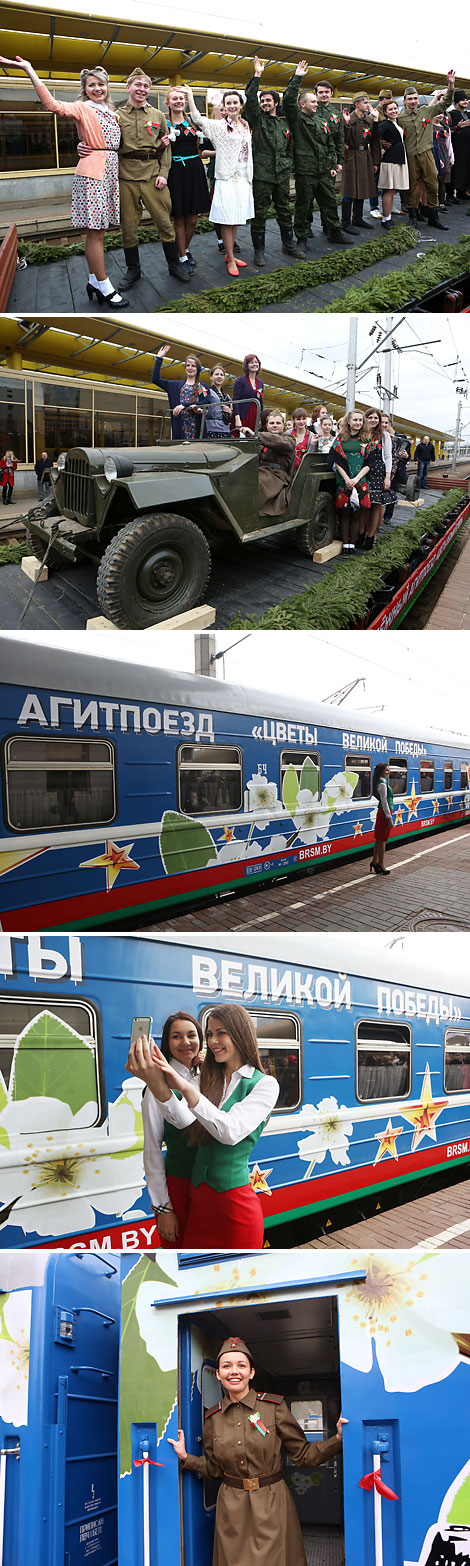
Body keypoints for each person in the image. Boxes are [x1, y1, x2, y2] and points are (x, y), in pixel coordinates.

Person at [168, 1333, 346, 1566]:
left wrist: (338, 1440)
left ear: (251, 1372)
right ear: (218, 1374)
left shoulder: (274, 1407)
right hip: (231, 1509)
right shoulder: (213, 1417)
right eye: (227, 1366)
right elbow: (214, 1469)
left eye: (241, 1365)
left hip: (272, 1503)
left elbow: (304, 1456)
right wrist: (185, 1457)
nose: (234, 1371)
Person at [128, 1003, 279, 1247]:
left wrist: (185, 1086)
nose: (213, 1040)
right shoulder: (207, 1078)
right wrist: (156, 1084)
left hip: (233, 1207)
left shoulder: (265, 1084)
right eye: (210, 1034)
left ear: (240, 1034)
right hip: (199, 1203)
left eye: (221, 1033)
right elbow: (182, 1119)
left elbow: (229, 1132)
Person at [0, 56, 129, 308]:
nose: (97, 88)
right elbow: (52, 105)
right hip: (93, 174)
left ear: (107, 87)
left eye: (101, 84)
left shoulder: (112, 114)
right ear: (85, 89)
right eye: (91, 85)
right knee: (96, 234)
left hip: (108, 172)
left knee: (99, 232)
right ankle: (104, 284)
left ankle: (93, 280)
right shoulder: (83, 108)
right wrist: (29, 70)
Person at [114, 71, 191, 288]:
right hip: (126, 177)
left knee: (165, 224)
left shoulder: (158, 116)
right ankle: (133, 270)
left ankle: (174, 265)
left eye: (146, 86)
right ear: (128, 87)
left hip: (152, 176)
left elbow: (166, 148)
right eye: (137, 84)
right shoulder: (116, 115)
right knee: (128, 227)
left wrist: (163, 175)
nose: (141, 89)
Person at [137, 1010, 203, 1248]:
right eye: (176, 1037)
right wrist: (163, 1208)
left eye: (191, 1035)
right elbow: (152, 1149)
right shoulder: (156, 1086)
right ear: (167, 1043)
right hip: (179, 1186)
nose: (186, 1043)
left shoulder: (210, 1076)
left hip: (210, 1187)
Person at [183, 83, 253, 276]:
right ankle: (230, 257)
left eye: (234, 103)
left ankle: (230, 254)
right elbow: (197, 118)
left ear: (240, 105)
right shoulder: (219, 127)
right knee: (227, 220)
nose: (231, 106)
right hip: (226, 178)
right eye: (228, 103)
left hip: (242, 178)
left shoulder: (245, 125)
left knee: (236, 219)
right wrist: (190, 95)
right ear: (224, 106)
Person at [283, 62, 351, 253]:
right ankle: (302, 238)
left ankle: (334, 232)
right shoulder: (297, 118)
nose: (317, 103)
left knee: (329, 202)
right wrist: (297, 77)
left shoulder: (322, 121)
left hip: (323, 171)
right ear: (303, 104)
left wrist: (333, 164)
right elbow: (288, 100)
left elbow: (330, 144)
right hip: (306, 171)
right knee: (303, 206)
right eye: (313, 101)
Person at [244, 57, 297, 266]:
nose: (264, 103)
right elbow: (249, 98)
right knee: (260, 212)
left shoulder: (283, 125)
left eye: (268, 100)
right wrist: (257, 75)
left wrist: (288, 164)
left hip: (281, 175)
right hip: (262, 175)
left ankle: (288, 243)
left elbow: (289, 148)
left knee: (284, 208)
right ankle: (259, 250)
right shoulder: (257, 120)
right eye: (262, 100)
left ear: (276, 103)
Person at [164, 83, 212, 275]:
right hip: (176, 172)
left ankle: (184, 248)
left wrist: (190, 95)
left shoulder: (192, 122)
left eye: (180, 98)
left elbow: (203, 145)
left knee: (192, 218)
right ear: (168, 102)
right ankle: (182, 256)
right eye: (174, 98)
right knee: (180, 217)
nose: (178, 101)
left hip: (194, 170)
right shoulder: (164, 123)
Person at [398, 72, 454, 227]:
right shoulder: (400, 118)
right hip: (410, 156)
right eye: (410, 99)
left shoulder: (426, 111)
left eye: (415, 98)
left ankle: (433, 217)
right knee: (411, 187)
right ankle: (412, 217)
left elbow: (446, 102)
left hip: (427, 153)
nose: (413, 101)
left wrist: (450, 85)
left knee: (432, 184)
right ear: (405, 101)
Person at [328, 411, 371, 552]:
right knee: (345, 513)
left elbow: (370, 462)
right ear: (348, 421)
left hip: (360, 480)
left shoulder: (367, 439)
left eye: (360, 420)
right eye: (355, 420)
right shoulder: (340, 438)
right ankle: (345, 543)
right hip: (343, 479)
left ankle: (353, 543)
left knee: (356, 513)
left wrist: (356, 479)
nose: (358, 423)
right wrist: (347, 479)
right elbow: (336, 459)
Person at [153, 344, 211, 440]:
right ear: (185, 368)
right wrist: (159, 358)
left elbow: (206, 401)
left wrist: (187, 406)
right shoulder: (174, 386)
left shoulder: (202, 387)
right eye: (188, 365)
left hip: (197, 429)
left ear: (197, 369)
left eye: (193, 366)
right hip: (180, 430)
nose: (190, 368)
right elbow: (155, 379)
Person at [341, 95, 382, 231]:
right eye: (365, 103)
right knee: (349, 189)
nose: (368, 105)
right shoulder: (348, 118)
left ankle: (357, 219)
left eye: (368, 102)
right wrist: (346, 124)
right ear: (356, 104)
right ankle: (346, 222)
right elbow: (344, 139)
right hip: (350, 156)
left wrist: (375, 162)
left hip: (365, 156)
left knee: (362, 188)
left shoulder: (370, 120)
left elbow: (375, 142)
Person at [377, 100, 409, 225]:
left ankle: (388, 217)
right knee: (390, 190)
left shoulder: (396, 123)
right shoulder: (385, 124)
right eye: (390, 109)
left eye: (395, 108)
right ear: (385, 112)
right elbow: (375, 134)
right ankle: (386, 219)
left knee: (393, 190)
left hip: (398, 158)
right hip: (392, 160)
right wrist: (382, 143)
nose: (394, 111)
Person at [363, 408, 392, 544]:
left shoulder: (384, 435)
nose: (373, 420)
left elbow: (388, 456)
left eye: (376, 418)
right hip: (363, 470)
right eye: (370, 417)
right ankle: (363, 532)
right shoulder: (362, 433)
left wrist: (387, 477)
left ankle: (371, 535)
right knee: (364, 504)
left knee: (375, 504)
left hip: (378, 471)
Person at [258, 410, 296, 513]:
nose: (275, 426)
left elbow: (278, 442)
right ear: (267, 425)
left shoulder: (289, 439)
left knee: (257, 483)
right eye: (271, 423)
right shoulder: (261, 439)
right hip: (261, 471)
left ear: (283, 425)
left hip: (278, 476)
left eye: (278, 423)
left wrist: (256, 435)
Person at [371, 761, 394, 875]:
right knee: (383, 839)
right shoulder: (382, 784)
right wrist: (389, 818)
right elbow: (384, 802)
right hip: (385, 813)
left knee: (379, 839)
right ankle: (381, 864)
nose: (388, 772)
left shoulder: (380, 782)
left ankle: (375, 861)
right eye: (386, 770)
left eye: (388, 770)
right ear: (381, 771)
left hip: (382, 812)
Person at [232, 355, 264, 434]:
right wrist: (237, 419)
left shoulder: (260, 382)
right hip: (243, 415)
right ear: (246, 365)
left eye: (256, 362)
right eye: (251, 362)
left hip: (255, 416)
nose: (254, 364)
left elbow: (261, 401)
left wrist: (261, 418)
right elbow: (235, 400)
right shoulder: (240, 380)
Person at [449, 89, 470, 200]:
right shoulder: (452, 114)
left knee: (465, 170)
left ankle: (463, 192)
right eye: (463, 100)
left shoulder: (467, 114)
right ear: (457, 102)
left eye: (466, 100)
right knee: (456, 171)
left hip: (467, 148)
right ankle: (451, 194)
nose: (465, 101)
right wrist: (457, 127)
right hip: (457, 147)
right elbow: (448, 130)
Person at [205, 365, 233, 438]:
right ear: (211, 377)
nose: (219, 376)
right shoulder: (208, 392)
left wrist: (230, 412)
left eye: (221, 375)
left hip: (225, 429)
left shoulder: (227, 397)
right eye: (216, 374)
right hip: (212, 428)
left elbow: (230, 416)